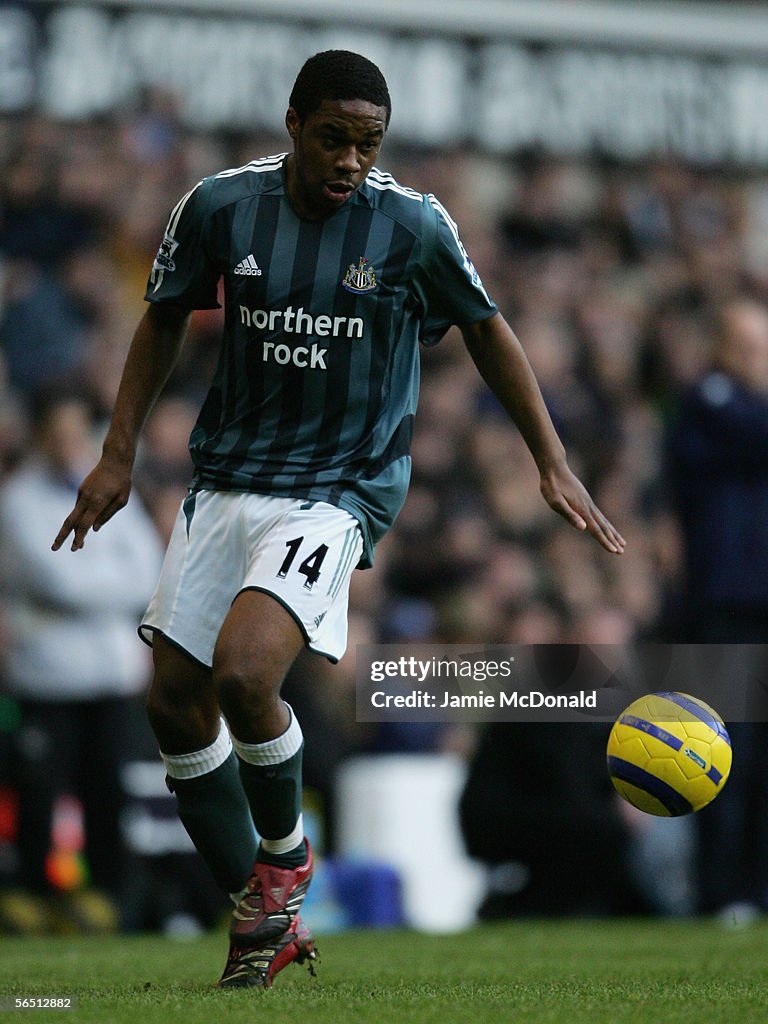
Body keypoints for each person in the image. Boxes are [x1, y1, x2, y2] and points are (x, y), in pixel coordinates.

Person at [52, 50, 625, 988]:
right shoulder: (221, 207)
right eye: (333, 138)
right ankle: (262, 912)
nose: (351, 159)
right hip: (228, 476)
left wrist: (550, 460)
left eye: (368, 142)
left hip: (340, 486)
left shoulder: (411, 227)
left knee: (244, 674)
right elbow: (162, 315)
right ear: (293, 124)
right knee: (173, 704)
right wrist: (118, 455)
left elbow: (486, 325)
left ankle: (284, 856)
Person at [0, 388, 163, 932]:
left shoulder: (115, 491)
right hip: (47, 676)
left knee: (107, 788)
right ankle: (31, 894)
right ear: (42, 436)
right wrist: (111, 585)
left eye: (76, 431)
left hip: (111, 675)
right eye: (59, 431)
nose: (68, 442)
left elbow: (148, 569)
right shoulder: (19, 500)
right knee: (40, 788)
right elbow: (54, 580)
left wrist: (96, 586)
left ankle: (110, 894)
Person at [666, 297, 768, 920]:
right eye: (749, 345)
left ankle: (756, 892)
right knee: (723, 756)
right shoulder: (708, 400)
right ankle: (719, 894)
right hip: (724, 609)